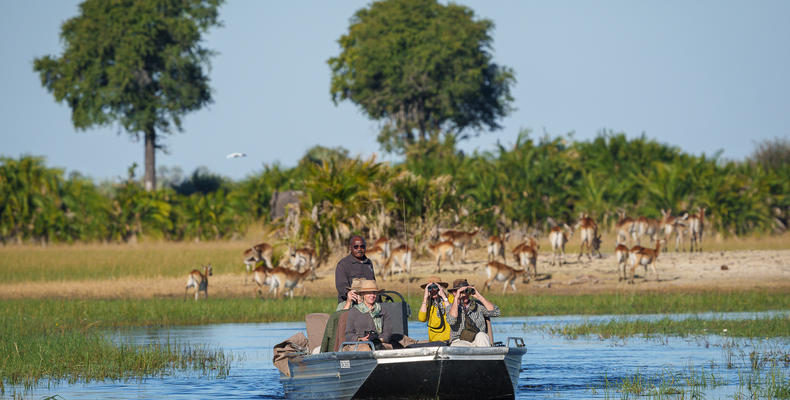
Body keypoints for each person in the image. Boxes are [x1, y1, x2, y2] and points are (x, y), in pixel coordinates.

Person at [343, 279, 419, 350]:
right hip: (360, 345)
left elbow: (388, 331)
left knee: (390, 345)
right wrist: (360, 339)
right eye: (369, 293)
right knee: (366, 349)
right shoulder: (354, 311)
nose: (372, 295)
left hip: (380, 342)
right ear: (363, 294)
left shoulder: (382, 310)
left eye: (374, 293)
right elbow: (348, 334)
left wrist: (379, 339)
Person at [446, 278, 500, 347]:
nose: (465, 294)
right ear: (454, 293)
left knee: (482, 335)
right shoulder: (450, 307)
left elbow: (496, 312)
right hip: (459, 341)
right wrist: (457, 298)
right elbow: (451, 320)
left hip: (477, 339)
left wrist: (479, 296)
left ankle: (486, 357)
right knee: (460, 346)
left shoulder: (478, 305)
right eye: (462, 292)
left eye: (466, 291)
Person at [335, 235, 375, 311]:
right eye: (356, 247)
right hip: (349, 302)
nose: (359, 249)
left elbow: (373, 283)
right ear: (350, 248)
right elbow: (341, 287)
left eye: (362, 246)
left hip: (369, 301)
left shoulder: (369, 263)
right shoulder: (343, 264)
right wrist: (352, 295)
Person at [417, 276, 453, 342]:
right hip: (433, 341)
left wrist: (443, 296)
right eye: (430, 288)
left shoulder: (449, 298)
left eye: (435, 287)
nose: (433, 290)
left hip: (449, 340)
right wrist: (425, 298)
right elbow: (421, 318)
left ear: (441, 288)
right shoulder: (429, 303)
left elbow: (452, 315)